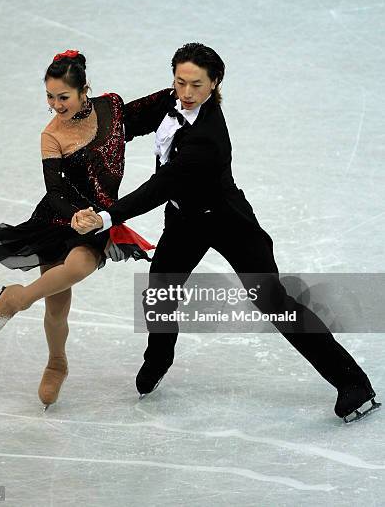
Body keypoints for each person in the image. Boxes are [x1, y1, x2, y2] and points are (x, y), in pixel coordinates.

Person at [75, 42, 380, 423]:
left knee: (273, 301)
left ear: (215, 83)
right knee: (160, 290)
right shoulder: (170, 100)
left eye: (196, 86)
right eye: (180, 82)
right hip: (185, 220)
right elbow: (124, 122)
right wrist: (79, 117)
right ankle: (159, 357)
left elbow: (161, 185)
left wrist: (107, 216)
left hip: (227, 221)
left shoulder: (208, 138)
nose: (186, 93)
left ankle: (354, 384)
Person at [0, 49, 154, 409]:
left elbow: (149, 110)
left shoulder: (111, 107)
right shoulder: (51, 135)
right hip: (58, 217)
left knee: (78, 266)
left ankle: (17, 298)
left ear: (84, 90)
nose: (55, 104)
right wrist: (76, 214)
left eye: (62, 96)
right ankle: (56, 363)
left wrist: (184, 94)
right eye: (49, 97)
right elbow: (54, 189)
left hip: (99, 218)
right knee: (57, 307)